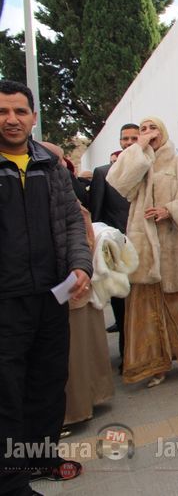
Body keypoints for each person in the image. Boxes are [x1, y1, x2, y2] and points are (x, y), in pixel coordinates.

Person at [0, 80, 92, 496]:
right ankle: (12, 481)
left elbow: (72, 220)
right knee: (7, 392)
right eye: (3, 111)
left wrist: (80, 264)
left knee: (48, 383)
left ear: (33, 117)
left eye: (20, 111)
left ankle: (42, 458)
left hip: (51, 297)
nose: (11, 119)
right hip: (6, 302)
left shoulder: (49, 165)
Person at [107, 117, 178, 388]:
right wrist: (138, 149)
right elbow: (118, 183)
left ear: (164, 132)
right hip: (145, 246)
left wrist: (170, 210)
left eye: (152, 128)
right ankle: (156, 364)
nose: (147, 132)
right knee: (148, 309)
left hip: (176, 244)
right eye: (143, 129)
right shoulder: (139, 164)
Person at [39, 143, 114, 430]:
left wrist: (79, 268)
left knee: (75, 351)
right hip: (56, 285)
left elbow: (81, 232)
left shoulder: (63, 194)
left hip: (71, 284)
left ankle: (73, 410)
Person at [90, 124, 137, 361]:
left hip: (148, 249)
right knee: (122, 307)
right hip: (119, 252)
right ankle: (127, 358)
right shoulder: (103, 173)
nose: (128, 142)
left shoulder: (151, 170)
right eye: (125, 138)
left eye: (133, 138)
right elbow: (96, 216)